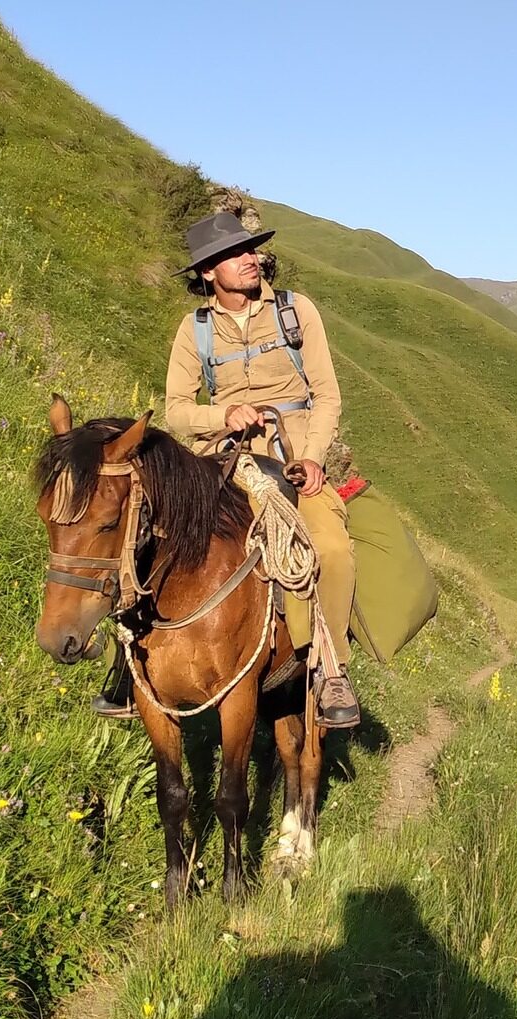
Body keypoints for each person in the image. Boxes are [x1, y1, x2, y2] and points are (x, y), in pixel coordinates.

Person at [141, 210, 360, 727]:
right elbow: (176, 408)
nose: (250, 259)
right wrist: (222, 414)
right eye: (235, 254)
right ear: (208, 273)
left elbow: (327, 396)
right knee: (151, 537)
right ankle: (132, 669)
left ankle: (331, 668)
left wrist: (312, 455)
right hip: (223, 457)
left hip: (292, 454)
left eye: (251, 250)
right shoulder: (194, 329)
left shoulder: (294, 310)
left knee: (328, 545)